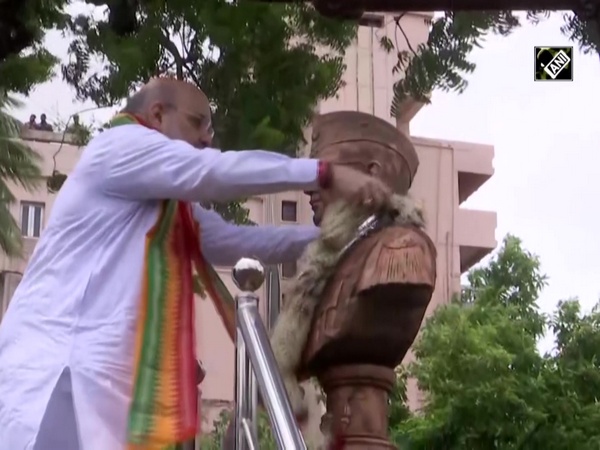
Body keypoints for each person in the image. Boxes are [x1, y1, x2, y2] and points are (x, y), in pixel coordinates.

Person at [0, 78, 391, 450]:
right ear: (157, 115)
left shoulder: (169, 206)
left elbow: (236, 242)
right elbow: (214, 172)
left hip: (102, 381)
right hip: (56, 366)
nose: (207, 138)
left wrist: (345, 237)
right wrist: (325, 174)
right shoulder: (118, 147)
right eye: (197, 122)